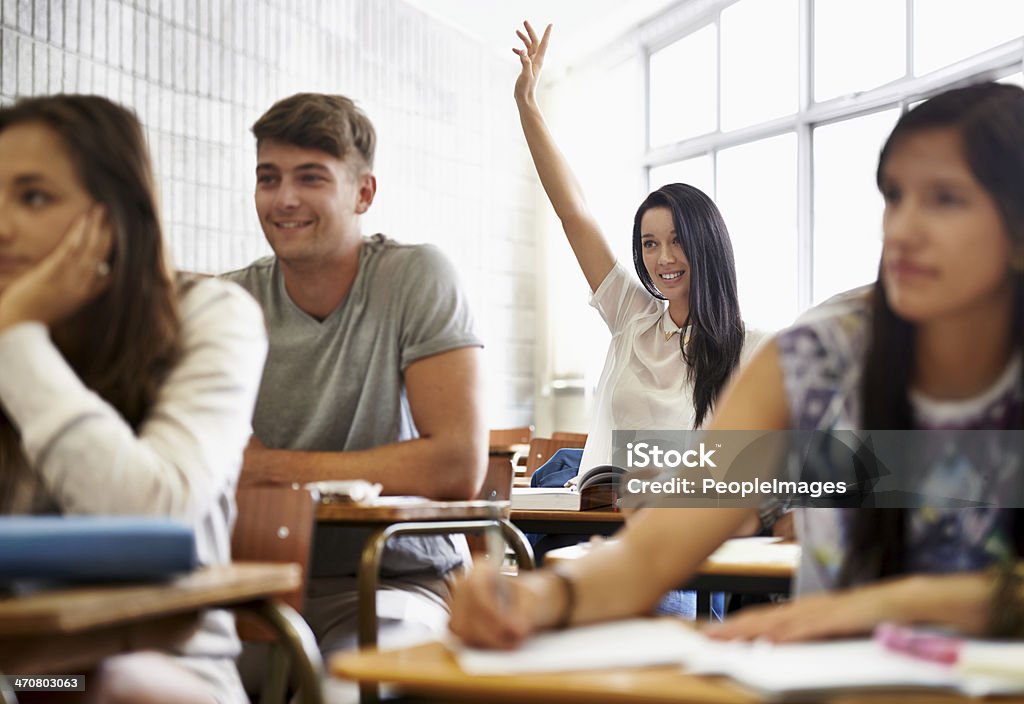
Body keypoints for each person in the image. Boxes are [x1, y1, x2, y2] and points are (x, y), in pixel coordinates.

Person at [449, 81, 1024, 649]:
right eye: (894, 196)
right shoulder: (812, 358)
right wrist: (544, 598)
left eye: (945, 198)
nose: (901, 230)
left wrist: (870, 608)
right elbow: (653, 551)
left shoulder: (752, 346)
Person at [0, 95, 267, 702]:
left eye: (33, 196)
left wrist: (16, 340)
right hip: (17, 669)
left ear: (114, 216)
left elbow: (150, 510)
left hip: (149, 669)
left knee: (82, 686)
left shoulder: (211, 315)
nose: (1, 224)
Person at [221, 93, 487, 658]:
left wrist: (268, 467)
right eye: (268, 178)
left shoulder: (417, 276)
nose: (284, 199)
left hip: (395, 581)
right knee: (99, 683)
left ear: (363, 192)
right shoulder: (229, 301)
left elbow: (456, 465)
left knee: (350, 688)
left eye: (310, 178)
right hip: (254, 587)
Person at [512, 23, 762, 475]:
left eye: (677, 240)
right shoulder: (634, 317)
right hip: (611, 511)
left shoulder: (750, 348)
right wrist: (527, 105)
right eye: (650, 244)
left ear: (707, 244)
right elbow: (575, 214)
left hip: (689, 524)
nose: (663, 258)